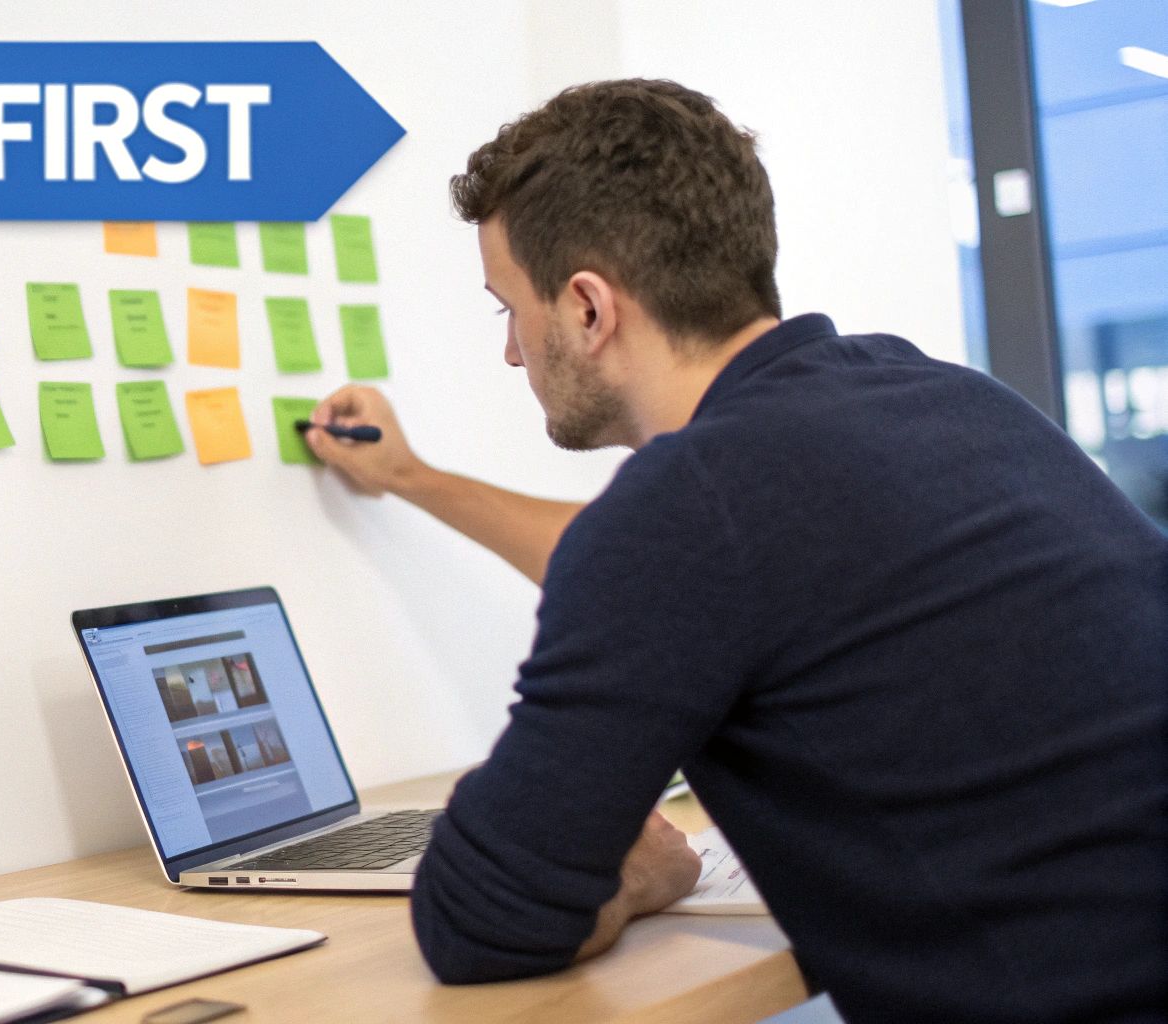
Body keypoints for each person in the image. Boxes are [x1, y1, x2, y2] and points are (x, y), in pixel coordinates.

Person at [306, 79, 1168, 1022]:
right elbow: (698, 562)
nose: (513, 353)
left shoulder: (689, 512)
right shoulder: (941, 397)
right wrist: (411, 479)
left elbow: (482, 920)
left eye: (507, 309)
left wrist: (636, 875)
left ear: (589, 310)